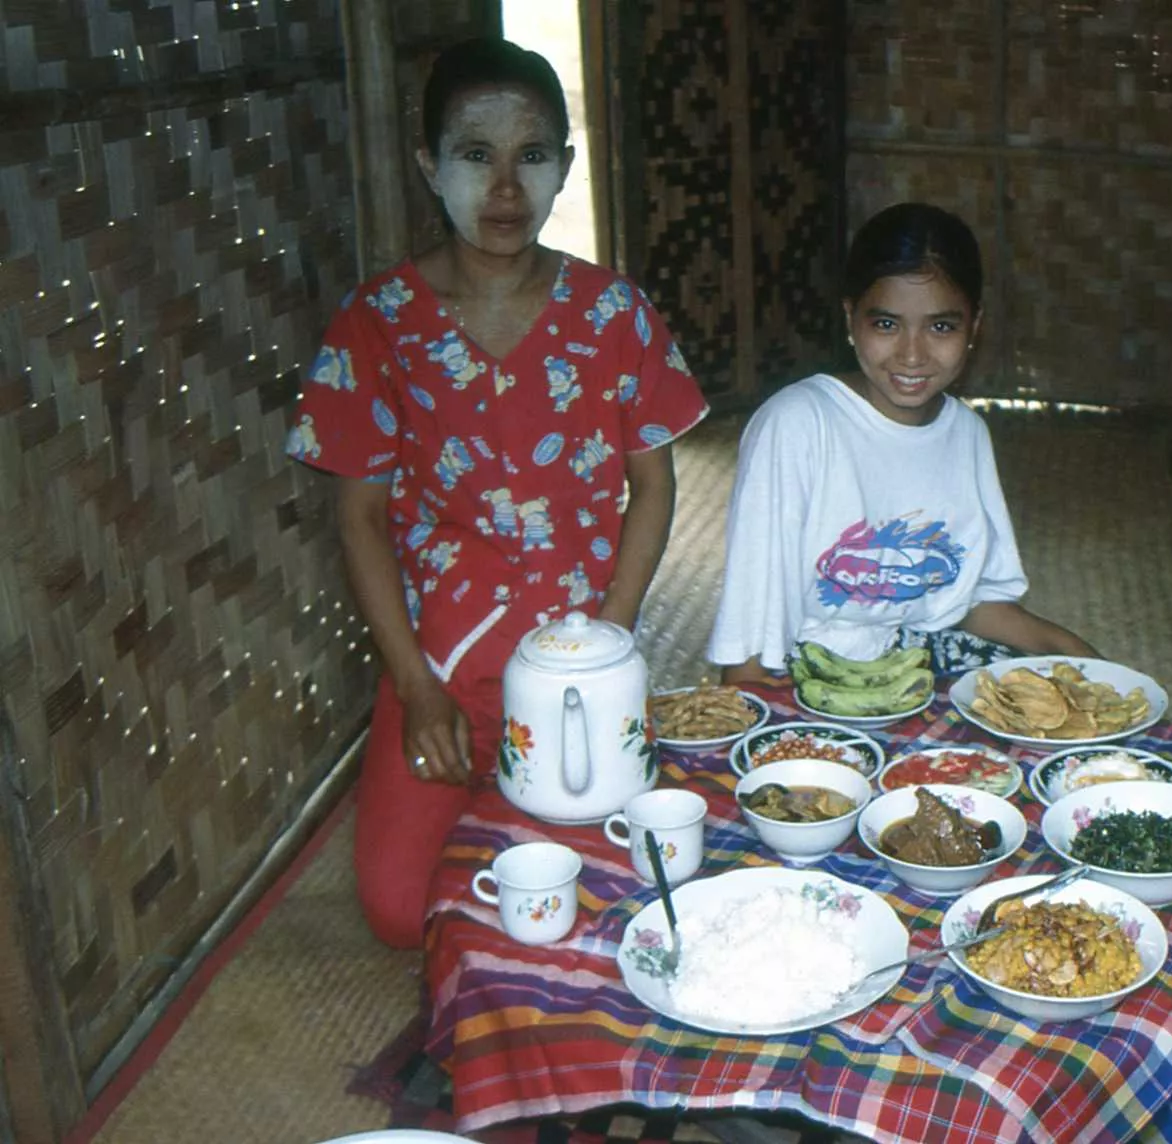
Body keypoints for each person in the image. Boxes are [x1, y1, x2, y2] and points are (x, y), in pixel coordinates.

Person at [285, 38, 708, 948]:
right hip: (440, 667)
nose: (507, 189)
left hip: (575, 666)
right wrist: (412, 683)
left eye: (533, 156)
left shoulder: (614, 314)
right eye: (477, 156)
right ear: (429, 165)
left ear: (565, 166)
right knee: (401, 912)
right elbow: (357, 515)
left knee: (623, 884)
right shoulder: (377, 324)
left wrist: (610, 644)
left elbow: (653, 484)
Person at [707, 202, 1094, 683]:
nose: (913, 355)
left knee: (1056, 707)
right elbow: (751, 631)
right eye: (886, 324)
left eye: (941, 327)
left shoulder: (967, 434)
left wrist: (1074, 651)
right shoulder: (797, 425)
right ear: (851, 319)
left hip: (919, 663)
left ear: (975, 326)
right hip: (808, 672)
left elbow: (965, 602)